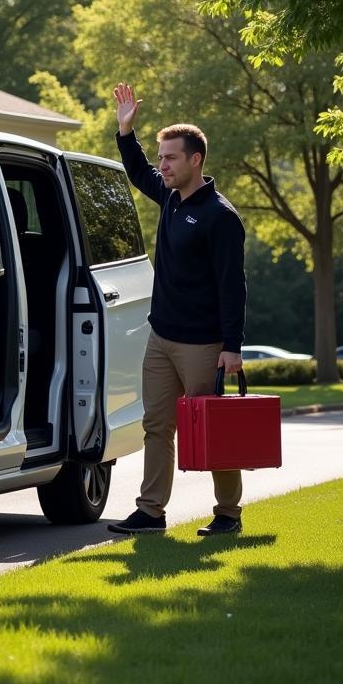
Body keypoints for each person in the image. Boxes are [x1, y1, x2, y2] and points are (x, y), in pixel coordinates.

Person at [106, 82, 247, 537]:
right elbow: (138, 170)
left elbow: (233, 286)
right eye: (161, 157)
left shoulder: (220, 217)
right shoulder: (168, 196)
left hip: (203, 345)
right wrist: (126, 133)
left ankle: (228, 514)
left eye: (170, 158)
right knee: (157, 426)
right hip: (161, 338)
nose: (162, 165)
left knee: (212, 431)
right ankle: (151, 512)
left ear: (195, 161)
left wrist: (232, 347)